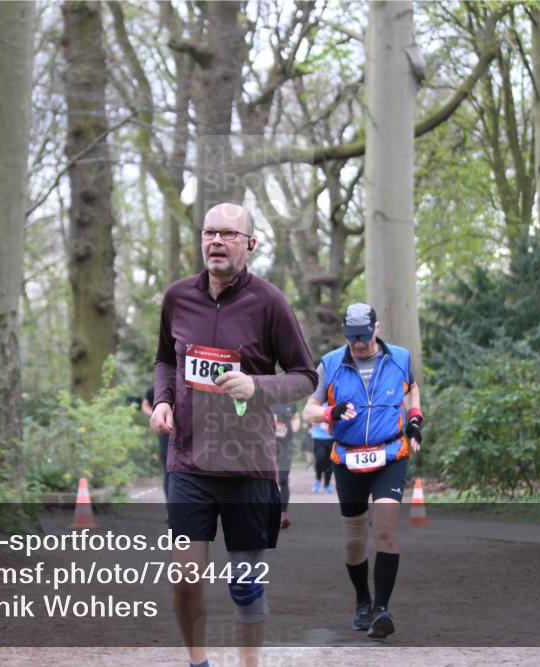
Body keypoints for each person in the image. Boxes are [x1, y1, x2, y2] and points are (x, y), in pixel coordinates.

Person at [150, 203, 317, 667]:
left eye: (228, 233)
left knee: (245, 583)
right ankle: (197, 662)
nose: (216, 241)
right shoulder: (177, 297)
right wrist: (163, 400)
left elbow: (305, 375)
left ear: (250, 244)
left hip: (247, 463)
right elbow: (166, 358)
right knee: (184, 576)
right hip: (189, 460)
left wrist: (257, 385)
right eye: (209, 233)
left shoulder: (270, 303)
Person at [302, 303, 424, 641]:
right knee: (355, 541)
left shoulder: (400, 358)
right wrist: (332, 412)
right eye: (352, 338)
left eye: (365, 337)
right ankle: (363, 600)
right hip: (349, 459)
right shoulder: (330, 364)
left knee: (385, 530)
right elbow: (308, 412)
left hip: (390, 454)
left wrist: (414, 420)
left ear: (377, 329)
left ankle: (382, 609)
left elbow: (412, 389)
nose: (359, 344)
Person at [272, 403, 300, 528]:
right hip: (268, 445)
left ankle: (283, 514)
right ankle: (267, 513)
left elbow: (296, 417)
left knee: (283, 479)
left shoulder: (291, 403)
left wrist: (295, 425)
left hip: (286, 446)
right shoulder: (267, 399)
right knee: (266, 480)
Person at [142, 383, 170, 494]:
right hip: (167, 435)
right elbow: (145, 404)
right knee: (170, 471)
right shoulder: (157, 387)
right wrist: (156, 415)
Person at [310, 405, 334, 494]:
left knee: (330, 462)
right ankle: (318, 480)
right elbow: (310, 418)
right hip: (318, 437)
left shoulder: (335, 399)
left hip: (331, 437)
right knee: (320, 458)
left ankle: (327, 484)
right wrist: (322, 420)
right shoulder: (316, 402)